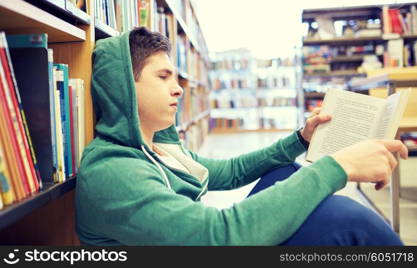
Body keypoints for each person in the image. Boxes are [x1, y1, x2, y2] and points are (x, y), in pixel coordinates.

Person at [75, 27, 408, 246]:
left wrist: (301, 140)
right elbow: (217, 236)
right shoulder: (113, 171)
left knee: (284, 174)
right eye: (162, 77)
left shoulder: (158, 148)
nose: (178, 88)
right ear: (124, 90)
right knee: (345, 220)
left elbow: (231, 172)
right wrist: (338, 166)